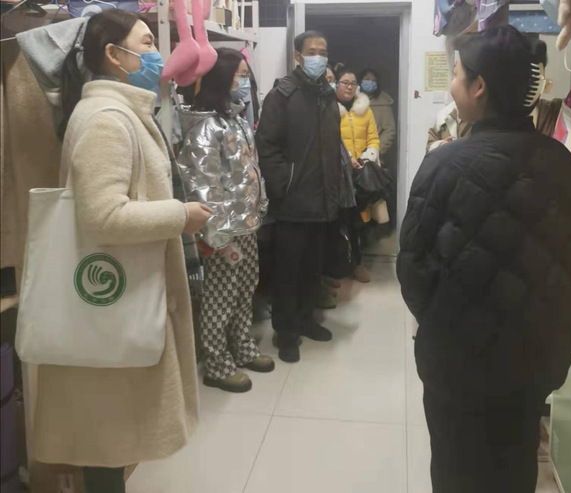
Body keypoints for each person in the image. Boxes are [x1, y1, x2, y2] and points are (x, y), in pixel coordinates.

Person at [397, 25, 571, 493]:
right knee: (515, 470)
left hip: (458, 372)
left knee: (455, 470)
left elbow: (413, 272)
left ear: (479, 87)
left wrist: (446, 329)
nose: (452, 84)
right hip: (533, 370)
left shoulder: (443, 165)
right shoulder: (564, 166)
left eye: (456, 74)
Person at [34, 10, 211, 492]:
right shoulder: (107, 121)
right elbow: (102, 216)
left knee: (109, 443)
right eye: (147, 42)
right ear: (114, 55)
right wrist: (180, 215)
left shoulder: (122, 112)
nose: (157, 54)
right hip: (112, 303)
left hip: (118, 298)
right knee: (106, 445)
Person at [178, 48, 274, 393]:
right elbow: (204, 188)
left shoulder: (235, 118)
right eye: (239, 75)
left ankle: (242, 347)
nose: (244, 81)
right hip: (223, 232)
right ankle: (217, 365)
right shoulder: (205, 128)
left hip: (245, 223)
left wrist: (259, 206)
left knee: (245, 290)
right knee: (220, 297)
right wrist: (217, 238)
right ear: (221, 77)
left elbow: (249, 169)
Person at [256, 31, 341, 363]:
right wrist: (284, 185)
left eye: (323, 51)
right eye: (312, 51)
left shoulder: (327, 94)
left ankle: (307, 320)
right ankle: (286, 333)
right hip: (292, 202)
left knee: (312, 269)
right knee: (287, 272)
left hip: (322, 200)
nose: (319, 56)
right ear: (297, 56)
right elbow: (267, 146)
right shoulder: (282, 95)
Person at [336, 67, 381, 284]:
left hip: (360, 173)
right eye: (345, 82)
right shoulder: (329, 109)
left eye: (353, 83)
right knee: (336, 221)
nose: (349, 87)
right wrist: (346, 159)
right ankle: (335, 267)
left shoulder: (365, 110)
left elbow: (374, 139)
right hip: (337, 172)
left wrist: (364, 158)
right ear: (336, 84)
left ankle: (357, 263)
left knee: (357, 222)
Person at [359, 68, 396, 163]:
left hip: (374, 156)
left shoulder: (384, 103)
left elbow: (389, 130)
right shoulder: (351, 99)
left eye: (373, 80)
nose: (370, 82)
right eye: (367, 79)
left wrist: (375, 151)